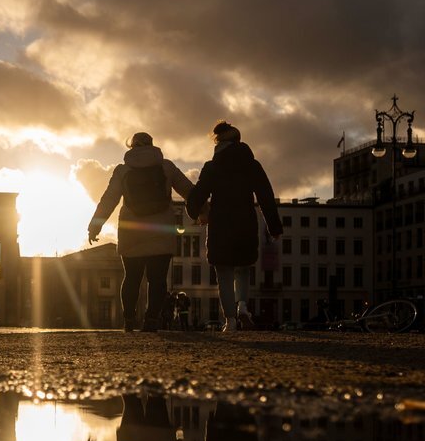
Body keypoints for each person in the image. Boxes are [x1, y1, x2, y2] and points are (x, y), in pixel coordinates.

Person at [88, 132, 196, 332]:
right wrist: (202, 212)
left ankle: (129, 319)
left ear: (132, 147)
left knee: (132, 278)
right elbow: (189, 190)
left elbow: (109, 199)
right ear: (152, 145)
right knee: (157, 280)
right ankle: (151, 320)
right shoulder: (167, 167)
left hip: (132, 232)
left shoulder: (122, 170)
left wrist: (95, 225)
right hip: (161, 231)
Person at [186, 121, 282, 332]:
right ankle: (243, 307)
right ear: (239, 141)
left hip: (221, 225)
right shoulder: (252, 165)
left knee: (224, 273)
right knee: (243, 268)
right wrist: (274, 227)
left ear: (218, 142)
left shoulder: (212, 167)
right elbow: (266, 195)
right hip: (246, 223)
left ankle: (230, 321)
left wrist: (194, 213)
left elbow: (198, 194)